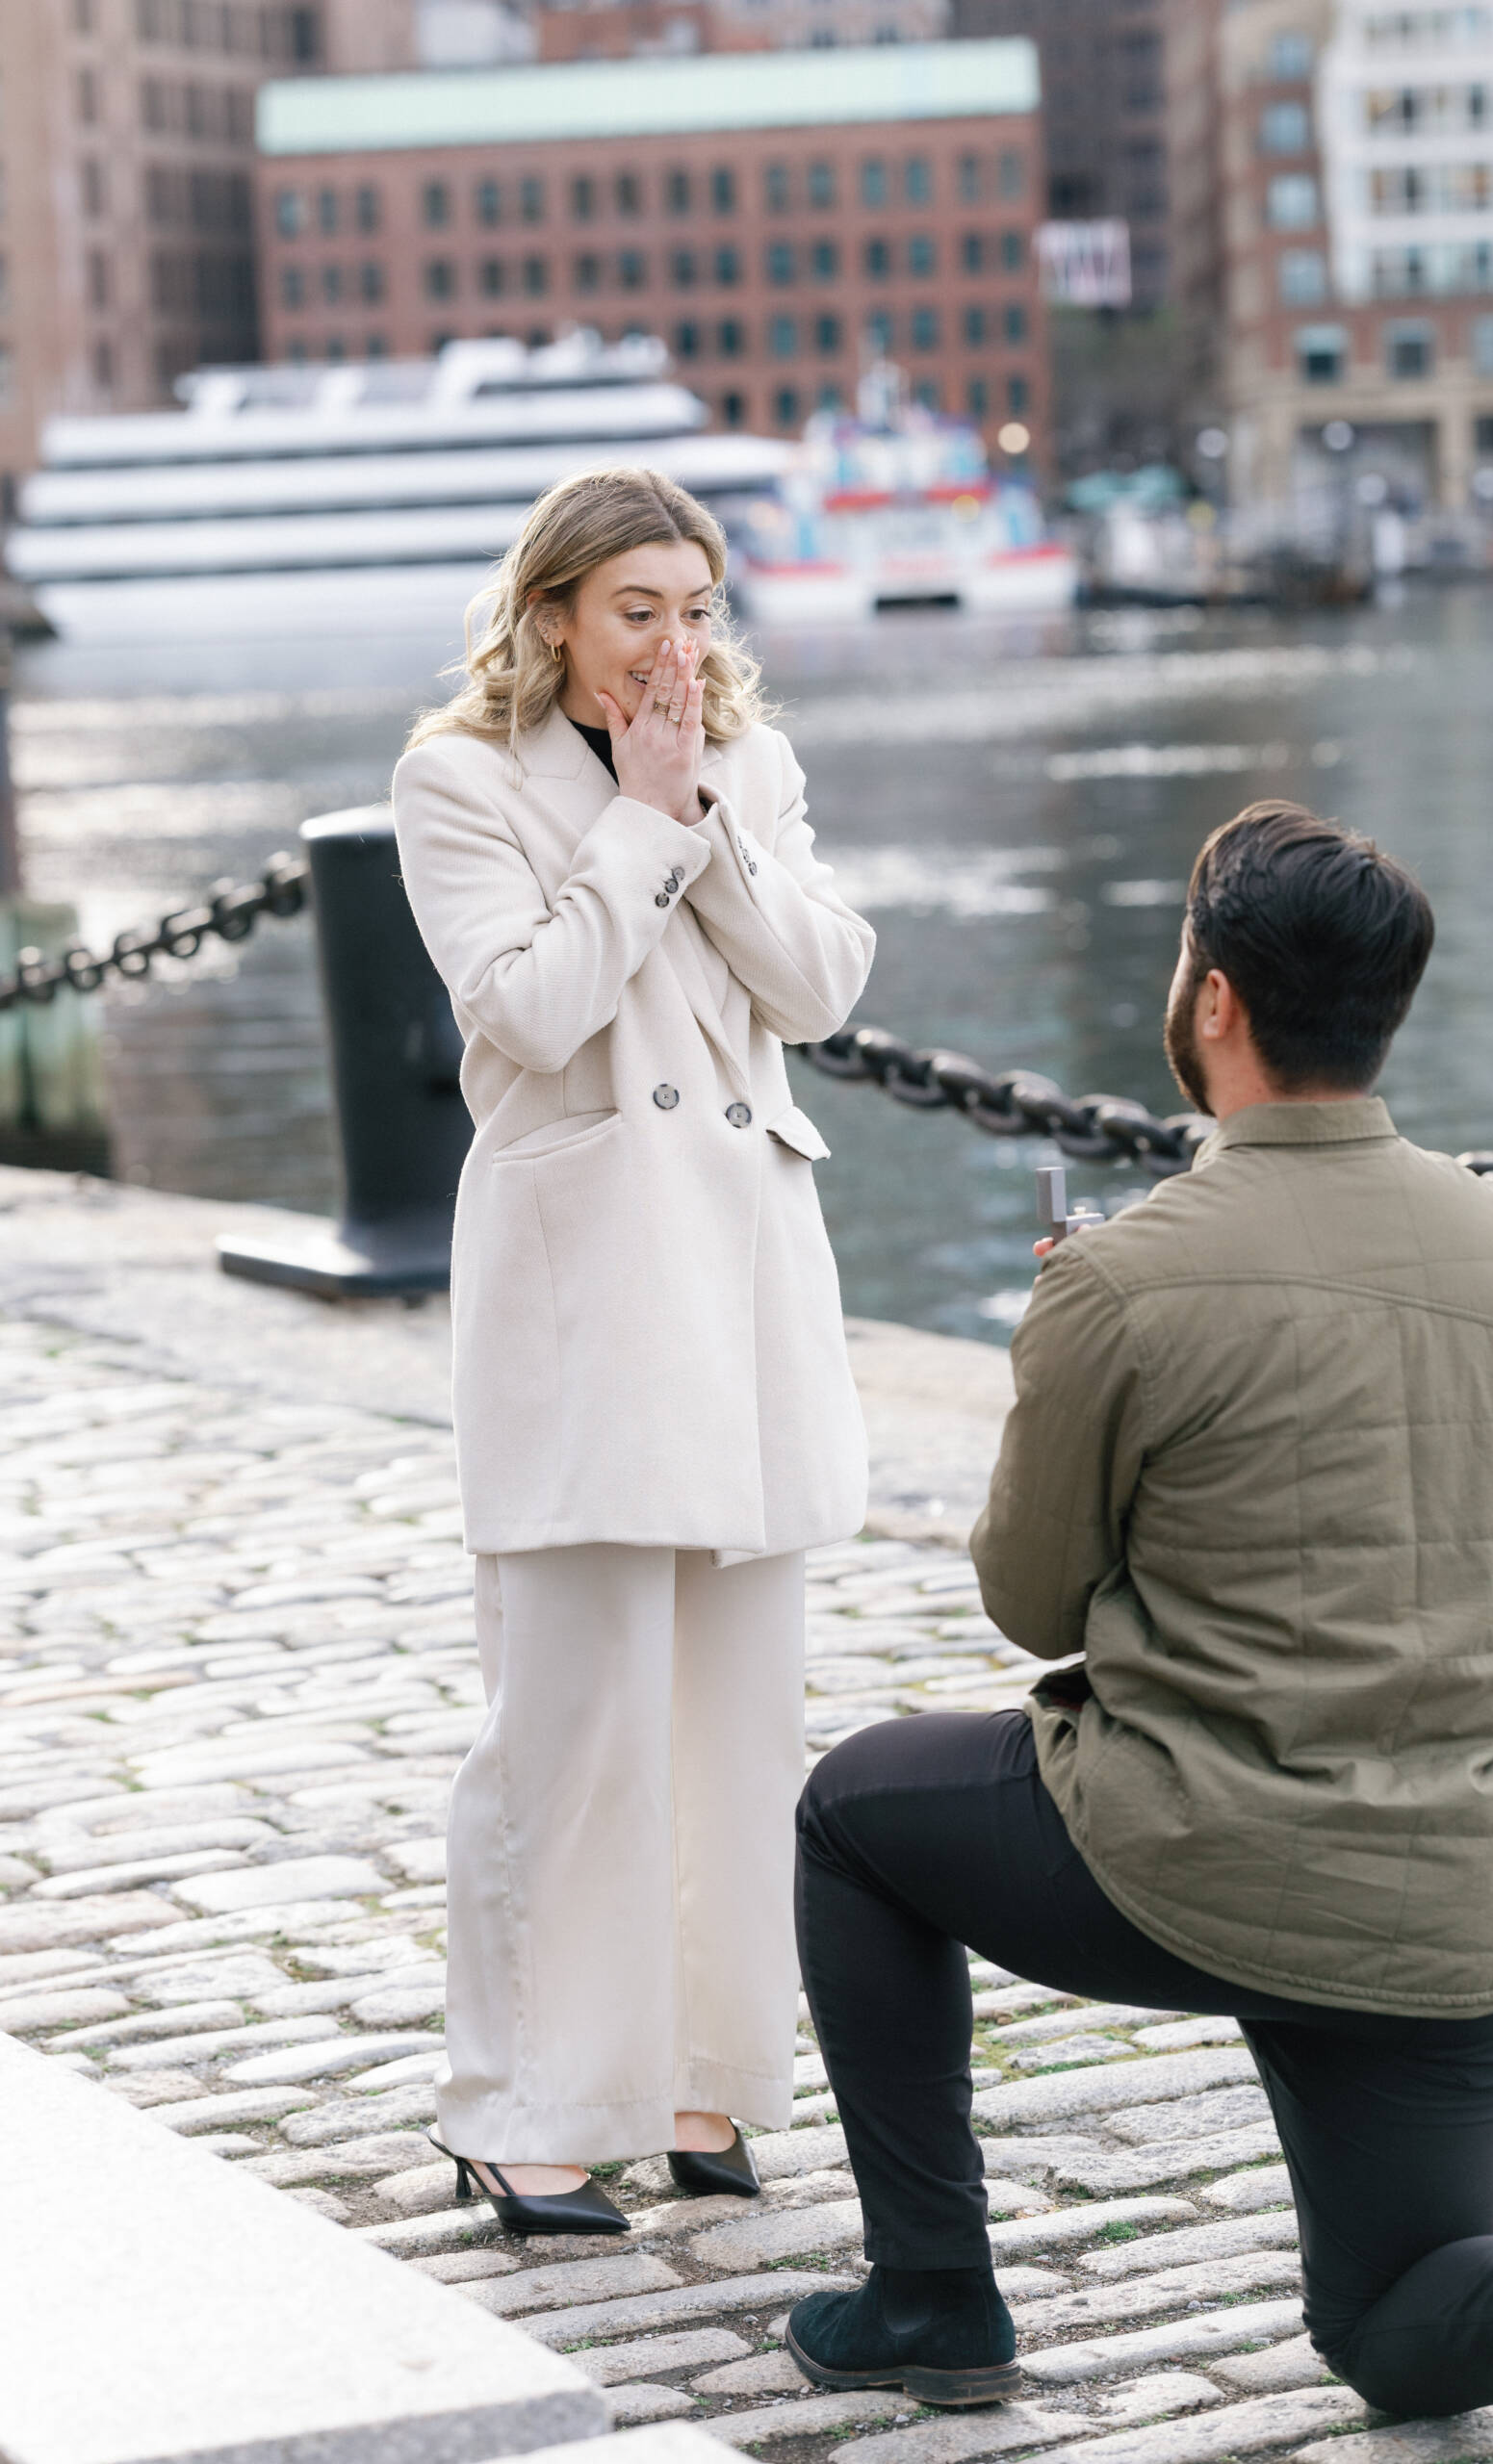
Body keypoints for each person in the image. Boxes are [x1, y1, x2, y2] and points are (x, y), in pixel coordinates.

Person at [786, 800, 1493, 2458]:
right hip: (1450, 1894)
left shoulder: (1123, 1282)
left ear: (1219, 1003)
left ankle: (933, 2298)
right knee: (1396, 2330)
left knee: (850, 1814)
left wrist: (1083, 1351)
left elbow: (1029, 1598)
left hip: (1195, 1858)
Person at [393, 466, 873, 2235]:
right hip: (587, 1296)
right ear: (553, 620)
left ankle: (705, 2080)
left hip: (740, 1288)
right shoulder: (456, 779)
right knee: (572, 1725)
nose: (675, 647)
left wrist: (704, 818)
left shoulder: (751, 761)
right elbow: (523, 1007)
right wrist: (641, 829)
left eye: (696, 607)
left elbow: (822, 987)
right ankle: (525, 2100)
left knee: (739, 1726)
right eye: (636, 612)